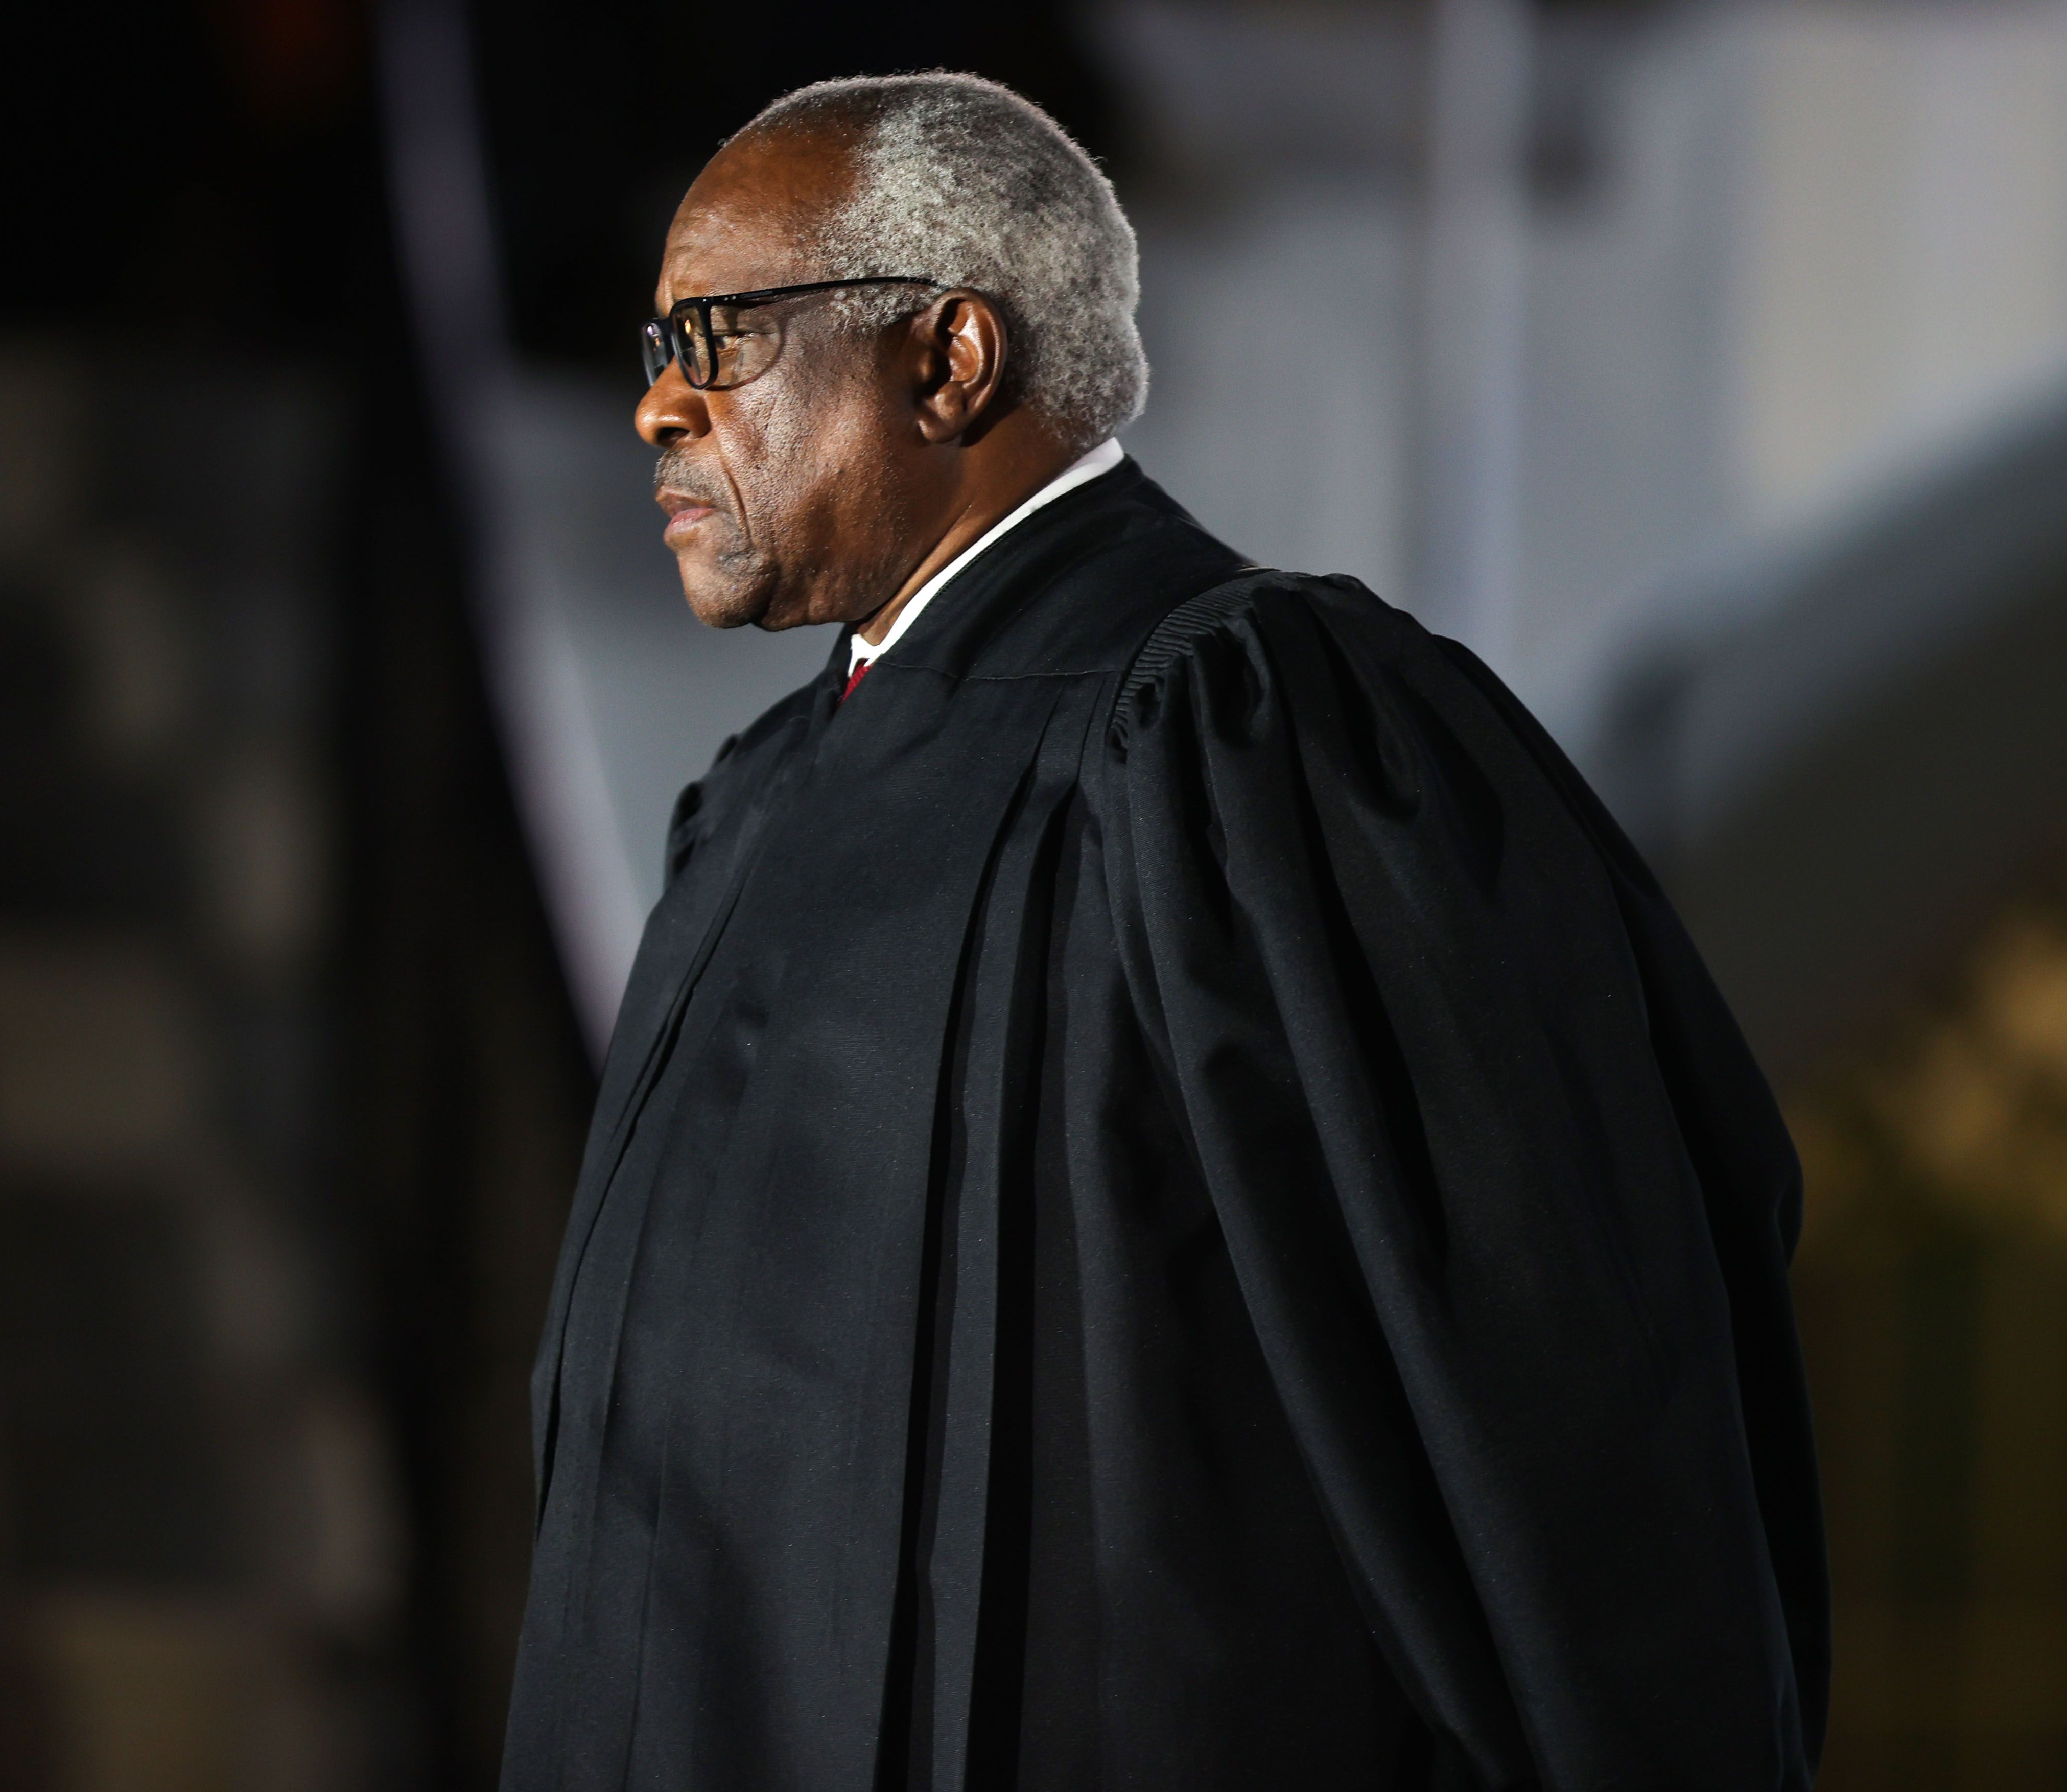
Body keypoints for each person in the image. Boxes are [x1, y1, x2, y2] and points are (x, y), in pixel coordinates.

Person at [503, 72, 1827, 1792]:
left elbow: (1559, 1447)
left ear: (948, 360)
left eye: (717, 336)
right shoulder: (754, 807)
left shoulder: (1250, 743)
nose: (655, 407)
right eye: (649, 343)